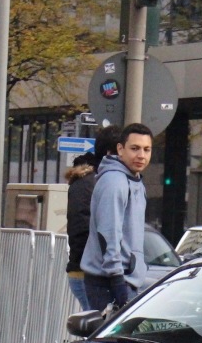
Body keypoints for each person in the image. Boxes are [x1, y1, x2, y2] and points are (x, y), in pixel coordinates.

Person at [82, 123, 153, 312]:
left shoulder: (133, 180)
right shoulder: (115, 181)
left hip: (124, 279)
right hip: (109, 282)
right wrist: (117, 280)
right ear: (120, 149)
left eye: (147, 149)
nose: (141, 155)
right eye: (135, 148)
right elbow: (108, 233)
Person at [64, 125, 120, 311]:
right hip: (89, 273)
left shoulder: (92, 180)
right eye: (130, 148)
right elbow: (83, 228)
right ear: (113, 151)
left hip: (86, 270)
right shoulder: (95, 182)